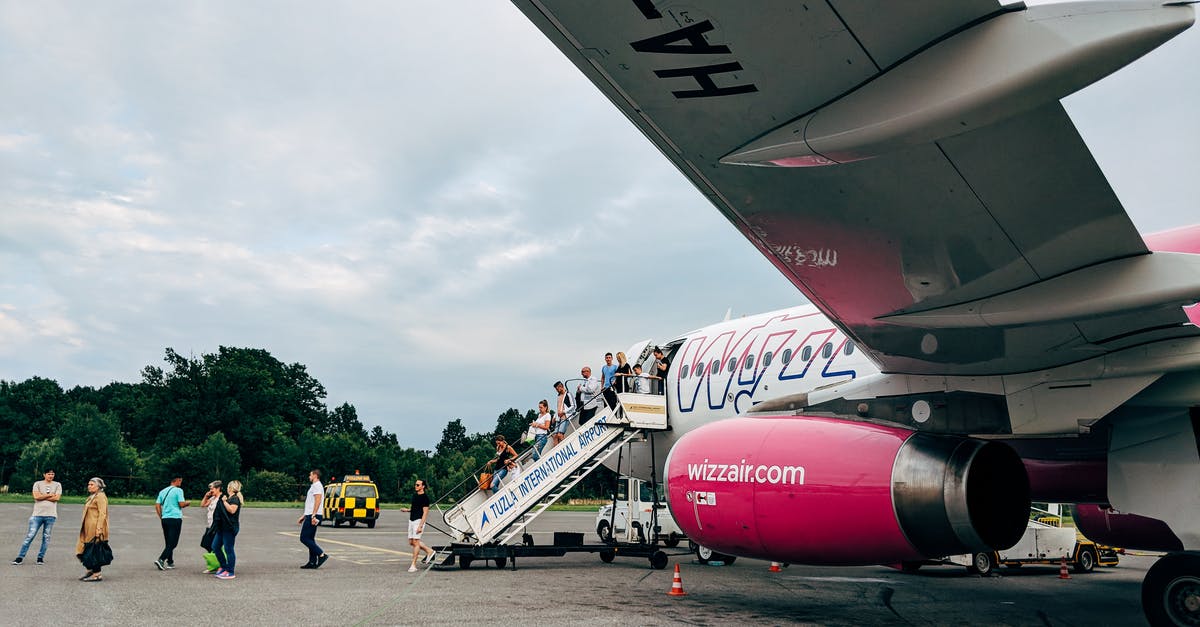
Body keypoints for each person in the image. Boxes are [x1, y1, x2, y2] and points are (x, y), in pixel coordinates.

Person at [12, 469, 62, 566]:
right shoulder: (37, 484)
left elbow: (57, 498)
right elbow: (36, 496)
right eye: (49, 474)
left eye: (52, 474)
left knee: (46, 537)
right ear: (44, 474)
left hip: (51, 515)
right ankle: (20, 557)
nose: (51, 476)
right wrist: (50, 495)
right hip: (37, 515)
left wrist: (43, 496)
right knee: (30, 536)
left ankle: (40, 558)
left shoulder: (57, 485)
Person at [76, 477, 109, 582]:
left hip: (95, 527)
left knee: (93, 550)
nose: (89, 486)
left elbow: (102, 513)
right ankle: (90, 569)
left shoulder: (100, 497)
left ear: (98, 486)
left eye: (92, 485)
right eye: (88, 484)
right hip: (87, 527)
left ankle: (97, 574)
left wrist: (99, 528)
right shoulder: (92, 496)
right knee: (82, 549)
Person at [154, 475, 190, 570]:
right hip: (175, 518)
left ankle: (170, 562)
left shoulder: (163, 491)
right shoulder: (179, 490)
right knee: (173, 543)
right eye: (180, 481)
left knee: (168, 541)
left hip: (165, 519)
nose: (181, 483)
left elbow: (157, 505)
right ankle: (161, 559)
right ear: (177, 480)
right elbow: (181, 504)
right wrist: (187, 503)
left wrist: (161, 516)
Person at [211, 480, 242, 580]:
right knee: (215, 546)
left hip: (230, 527)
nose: (227, 489)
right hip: (222, 527)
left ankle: (231, 571)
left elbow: (232, 510)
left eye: (228, 487)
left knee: (229, 549)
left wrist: (224, 501)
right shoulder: (229, 498)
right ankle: (224, 566)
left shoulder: (235, 499)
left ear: (231, 488)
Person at [298, 469, 328, 569]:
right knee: (310, 538)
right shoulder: (315, 486)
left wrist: (313, 515)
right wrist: (304, 515)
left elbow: (317, 501)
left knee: (304, 538)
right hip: (310, 514)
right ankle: (312, 562)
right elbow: (310, 503)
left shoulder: (317, 486)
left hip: (314, 515)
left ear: (315, 475)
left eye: (310, 475)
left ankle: (321, 555)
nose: (309, 477)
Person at [404, 479, 435, 572]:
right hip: (411, 520)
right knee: (411, 542)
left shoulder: (425, 498)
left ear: (423, 486)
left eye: (418, 485)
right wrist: (407, 510)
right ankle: (430, 551)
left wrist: (420, 526)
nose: (416, 486)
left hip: (418, 521)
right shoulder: (415, 495)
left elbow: (425, 512)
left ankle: (413, 565)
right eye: (415, 484)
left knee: (416, 542)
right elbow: (415, 508)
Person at [200, 480, 223, 574]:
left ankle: (219, 564)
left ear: (218, 488)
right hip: (210, 525)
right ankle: (216, 563)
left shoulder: (221, 498)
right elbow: (202, 505)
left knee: (214, 546)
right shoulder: (213, 498)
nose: (210, 490)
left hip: (216, 526)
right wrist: (206, 496)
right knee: (205, 543)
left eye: (212, 488)